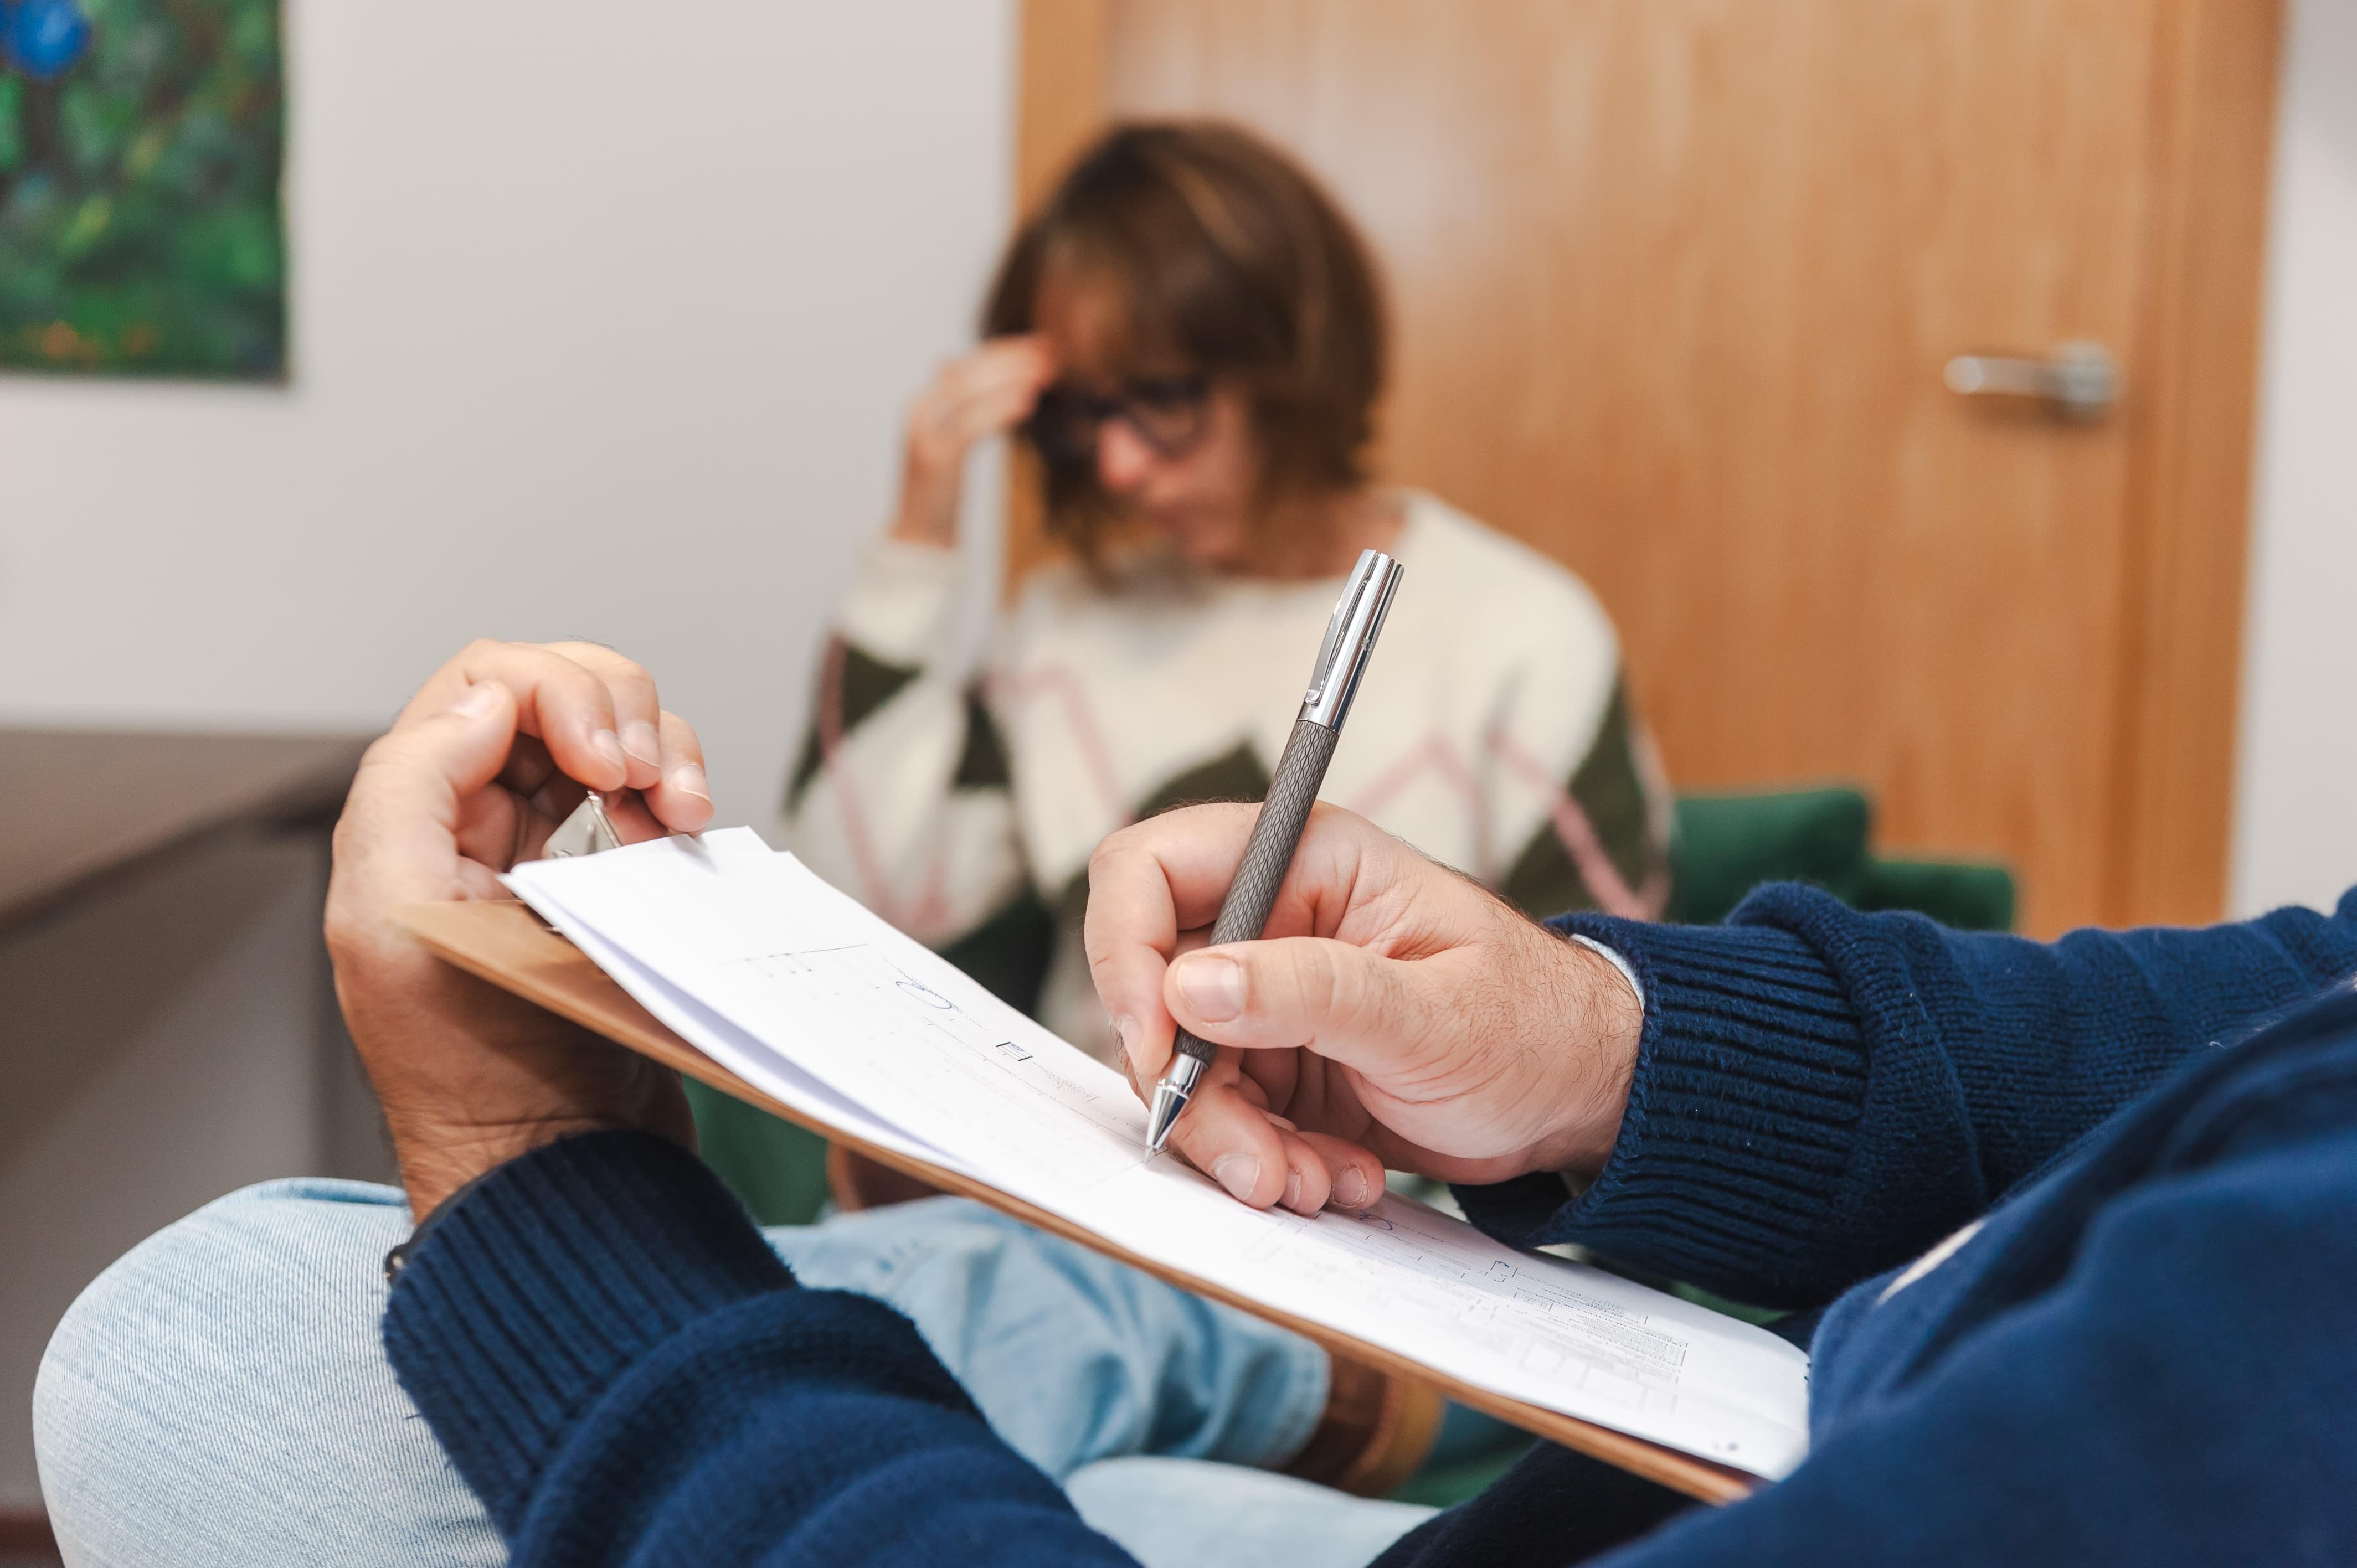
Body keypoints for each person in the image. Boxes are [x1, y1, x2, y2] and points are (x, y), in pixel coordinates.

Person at [38, 640, 2357, 1566]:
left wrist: (543, 1199)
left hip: (1716, 1445)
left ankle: (1258, 1332)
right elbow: (2284, 1008)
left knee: (213, 1335)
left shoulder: (1506, 635)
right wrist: (1595, 1047)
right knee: (1113, 1418)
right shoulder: (1052, 621)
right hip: (1724, 1414)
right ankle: (1269, 1340)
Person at [784, 121, 1670, 1065]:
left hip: (1388, 1202)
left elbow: (1596, 1046)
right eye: (1084, 414)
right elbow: (855, 900)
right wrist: (918, 538)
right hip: (1078, 1177)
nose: (1117, 465)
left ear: (1290, 362)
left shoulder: (1524, 639)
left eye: (1163, 398)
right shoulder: (1062, 624)